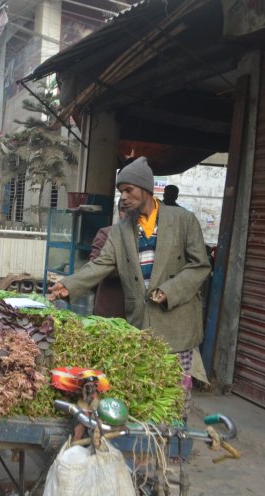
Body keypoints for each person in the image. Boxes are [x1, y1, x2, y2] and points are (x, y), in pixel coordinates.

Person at [48, 157, 210, 406]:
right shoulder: (120, 230)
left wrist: (168, 291)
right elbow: (101, 263)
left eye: (128, 190)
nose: (123, 197)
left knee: (175, 398)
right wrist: (69, 284)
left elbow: (200, 266)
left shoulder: (182, 221)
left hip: (176, 324)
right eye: (120, 191)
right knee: (145, 393)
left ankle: (175, 440)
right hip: (141, 324)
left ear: (146, 189)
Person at [89, 199, 128, 318]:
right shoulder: (106, 234)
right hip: (110, 308)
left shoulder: (148, 238)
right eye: (123, 210)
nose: (126, 214)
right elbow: (95, 265)